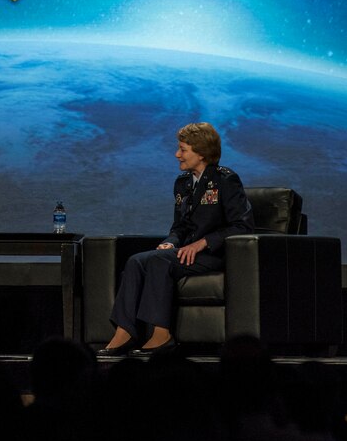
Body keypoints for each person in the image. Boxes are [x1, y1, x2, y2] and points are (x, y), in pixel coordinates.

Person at [97, 121, 254, 357]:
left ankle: (161, 336)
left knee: (159, 261)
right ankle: (125, 331)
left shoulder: (225, 180)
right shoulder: (182, 183)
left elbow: (242, 226)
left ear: (201, 153)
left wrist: (203, 242)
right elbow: (180, 227)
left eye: (183, 149)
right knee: (136, 261)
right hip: (185, 253)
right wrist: (171, 241)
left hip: (214, 254)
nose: (176, 154)